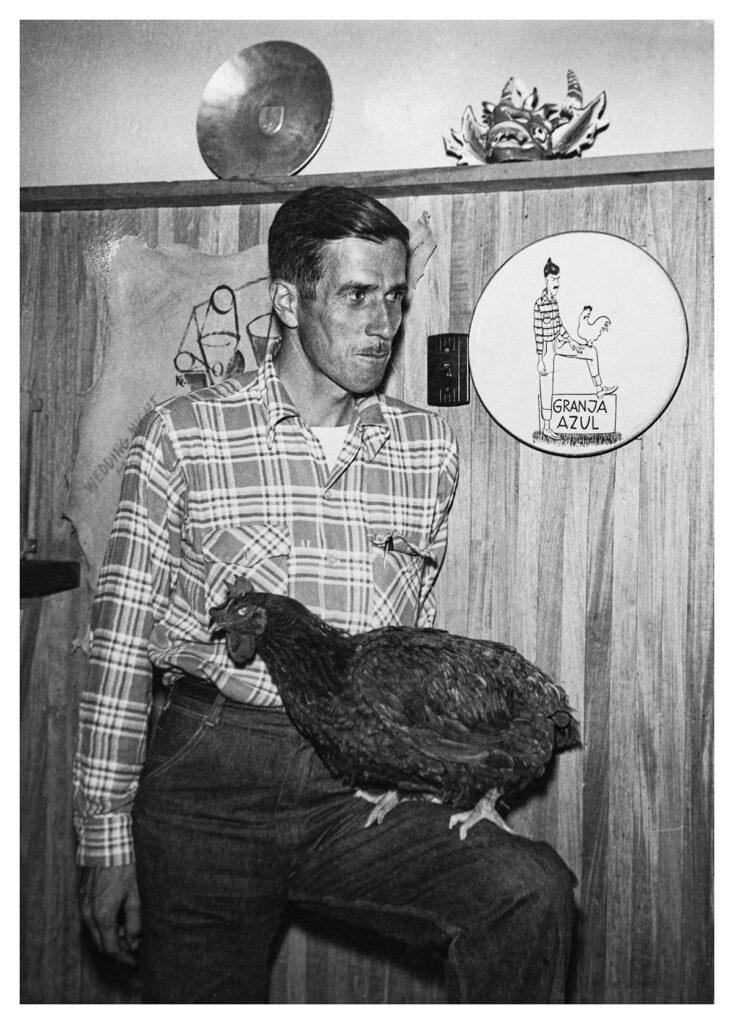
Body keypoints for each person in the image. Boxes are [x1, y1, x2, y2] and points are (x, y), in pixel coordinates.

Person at [74, 185, 576, 1003]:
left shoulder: (425, 447)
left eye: (396, 297)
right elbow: (120, 645)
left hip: (362, 781)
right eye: (356, 295)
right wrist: (104, 840)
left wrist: (446, 771)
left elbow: (413, 640)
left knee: (528, 892)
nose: (384, 323)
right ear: (286, 300)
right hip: (214, 778)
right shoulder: (182, 432)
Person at [534, 257, 616, 439]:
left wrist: (572, 342)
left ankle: (600, 388)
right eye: (553, 279)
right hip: (546, 347)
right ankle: (547, 427)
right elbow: (538, 332)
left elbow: (559, 325)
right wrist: (540, 359)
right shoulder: (539, 304)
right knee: (546, 382)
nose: (557, 283)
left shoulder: (554, 302)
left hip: (559, 341)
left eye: (558, 279)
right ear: (546, 280)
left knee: (590, 351)